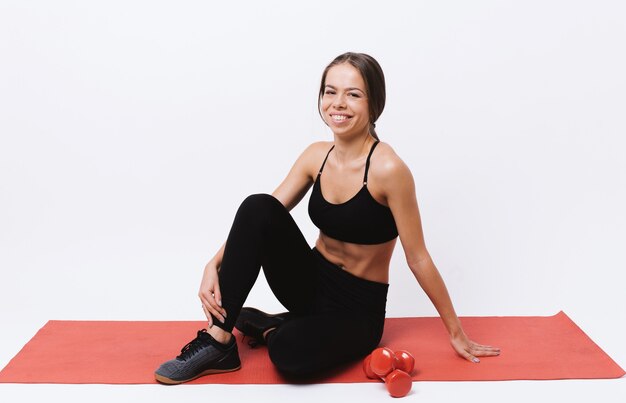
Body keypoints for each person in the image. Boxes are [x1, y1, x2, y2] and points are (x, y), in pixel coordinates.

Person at [154, 52, 500, 384]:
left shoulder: (388, 169)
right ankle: (219, 342)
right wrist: (213, 263)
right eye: (330, 92)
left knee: (288, 357)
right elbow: (260, 219)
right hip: (308, 284)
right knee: (257, 204)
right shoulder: (315, 156)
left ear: (373, 103)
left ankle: (276, 327)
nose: (338, 103)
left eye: (353, 94)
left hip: (356, 309)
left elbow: (418, 256)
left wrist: (456, 332)